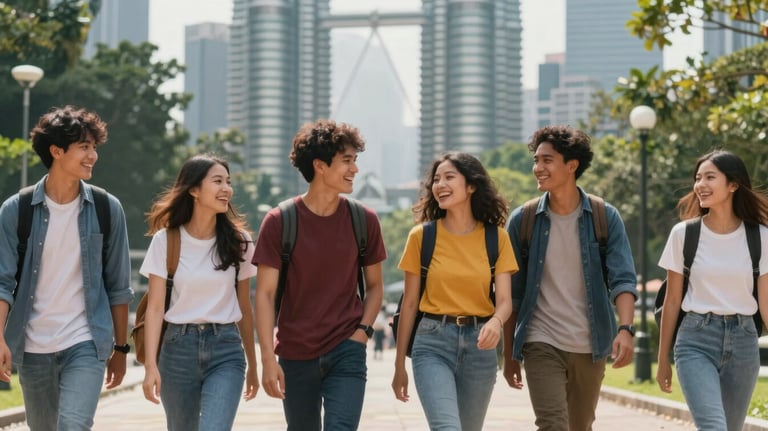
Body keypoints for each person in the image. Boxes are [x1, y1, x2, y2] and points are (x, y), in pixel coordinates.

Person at [0, 105, 133, 430]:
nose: (93, 156)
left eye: (94, 147)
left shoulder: (106, 208)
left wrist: (120, 347)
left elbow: (119, 286)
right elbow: (2, 281)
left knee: (74, 425)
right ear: (56, 150)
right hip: (33, 347)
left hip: (85, 343)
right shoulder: (17, 210)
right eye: (84, 147)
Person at [252, 119, 386, 430]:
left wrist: (361, 333)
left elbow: (376, 287)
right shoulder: (279, 221)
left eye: (355, 160)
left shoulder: (363, 219)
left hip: (347, 349)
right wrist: (267, 360)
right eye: (347, 161)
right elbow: (265, 294)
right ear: (320, 166)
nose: (354, 169)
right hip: (295, 353)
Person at [502, 125, 638, 431]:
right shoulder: (523, 221)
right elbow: (512, 294)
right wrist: (509, 353)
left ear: (571, 165)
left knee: (580, 426)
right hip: (540, 339)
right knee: (552, 424)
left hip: (590, 343)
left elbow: (623, 279)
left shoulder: (605, 217)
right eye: (536, 160)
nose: (538, 168)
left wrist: (626, 329)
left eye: (547, 160)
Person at [392, 151, 517, 431]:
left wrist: (496, 323)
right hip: (432, 343)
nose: (440, 185)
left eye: (449, 177)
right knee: (447, 428)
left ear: (471, 185)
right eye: (436, 179)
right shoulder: (422, 237)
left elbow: (506, 301)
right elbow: (410, 304)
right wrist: (399, 364)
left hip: (480, 346)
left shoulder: (496, 238)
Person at [140, 154, 259, 431]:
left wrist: (253, 364)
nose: (226, 188)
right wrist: (150, 368)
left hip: (226, 350)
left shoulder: (240, 242)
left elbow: (245, 307)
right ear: (193, 190)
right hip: (177, 351)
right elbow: (156, 308)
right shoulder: (165, 241)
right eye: (217, 181)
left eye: (228, 182)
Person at [656, 150, 768, 431]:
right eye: (697, 178)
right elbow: (671, 302)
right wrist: (662, 360)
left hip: (744, 342)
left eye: (709, 177)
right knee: (714, 427)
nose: (700, 185)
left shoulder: (760, 237)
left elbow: (765, 301)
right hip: (695, 339)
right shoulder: (684, 234)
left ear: (733, 184)